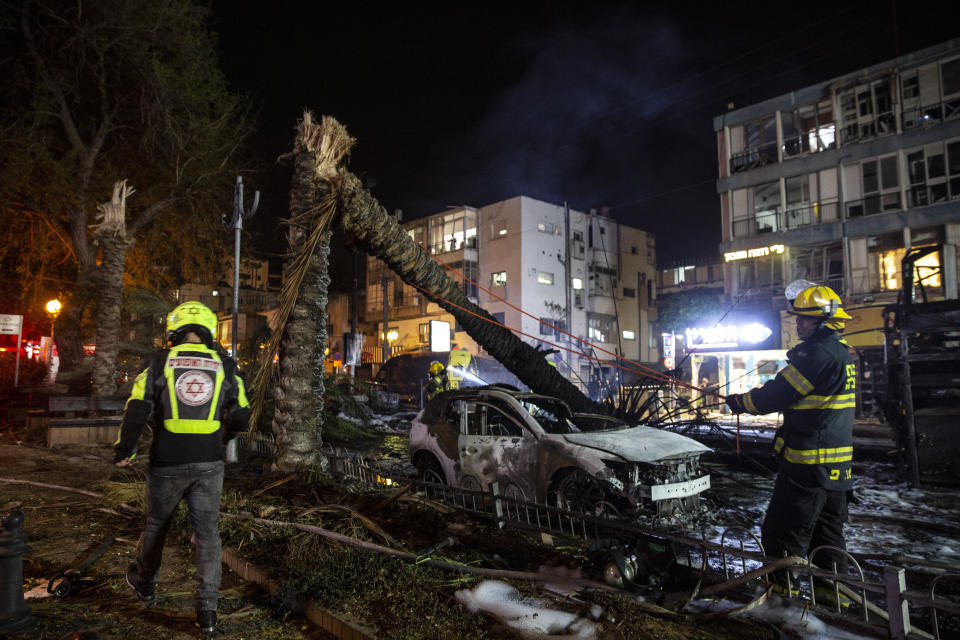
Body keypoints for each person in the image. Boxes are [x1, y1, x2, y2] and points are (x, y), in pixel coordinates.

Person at [113, 301, 250, 634]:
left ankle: (144, 583)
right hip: (209, 464)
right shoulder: (225, 365)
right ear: (208, 331)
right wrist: (225, 434)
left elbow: (136, 407)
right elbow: (243, 414)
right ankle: (207, 612)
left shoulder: (159, 362)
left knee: (157, 524)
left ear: (173, 332)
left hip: (166, 462)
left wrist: (124, 450)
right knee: (207, 537)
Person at [725, 284, 855, 595]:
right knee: (827, 538)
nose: (798, 325)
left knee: (782, 532)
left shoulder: (817, 354)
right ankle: (835, 603)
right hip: (835, 471)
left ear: (823, 321)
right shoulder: (839, 351)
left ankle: (781, 601)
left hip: (808, 466)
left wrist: (741, 403)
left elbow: (777, 394)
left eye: (804, 320)